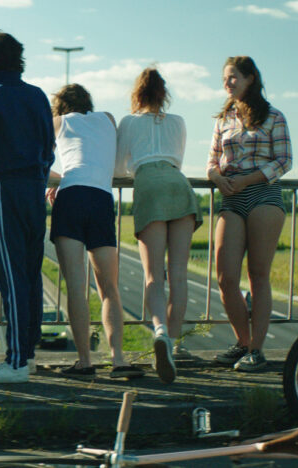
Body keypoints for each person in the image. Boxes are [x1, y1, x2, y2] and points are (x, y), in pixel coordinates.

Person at [0, 31, 54, 384]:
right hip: (36, 187)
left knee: (11, 276)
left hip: (7, 187)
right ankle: (27, 353)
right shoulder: (37, 95)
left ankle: (16, 360)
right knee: (31, 274)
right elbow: (49, 147)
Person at [46, 84, 145, 381]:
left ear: (60, 105)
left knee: (77, 287)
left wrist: (60, 179)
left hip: (71, 196)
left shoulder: (58, 122)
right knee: (109, 287)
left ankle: (84, 362)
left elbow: (39, 162)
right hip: (101, 199)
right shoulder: (108, 118)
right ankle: (118, 360)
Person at [115, 68, 202, 384]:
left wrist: (133, 167)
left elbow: (118, 167)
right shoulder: (178, 121)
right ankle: (174, 347)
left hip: (149, 184)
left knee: (154, 276)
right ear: (164, 93)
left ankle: (160, 331)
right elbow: (178, 158)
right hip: (179, 184)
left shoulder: (129, 122)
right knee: (178, 275)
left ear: (137, 93)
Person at [207, 56, 292, 372]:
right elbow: (212, 161)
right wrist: (217, 178)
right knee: (226, 277)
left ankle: (256, 351)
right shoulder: (223, 120)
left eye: (233, 77)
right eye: (225, 78)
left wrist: (248, 179)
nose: (227, 83)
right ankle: (242, 343)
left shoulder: (273, 116)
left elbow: (284, 161)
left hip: (263, 195)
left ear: (250, 78)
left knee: (258, 274)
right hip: (231, 198)